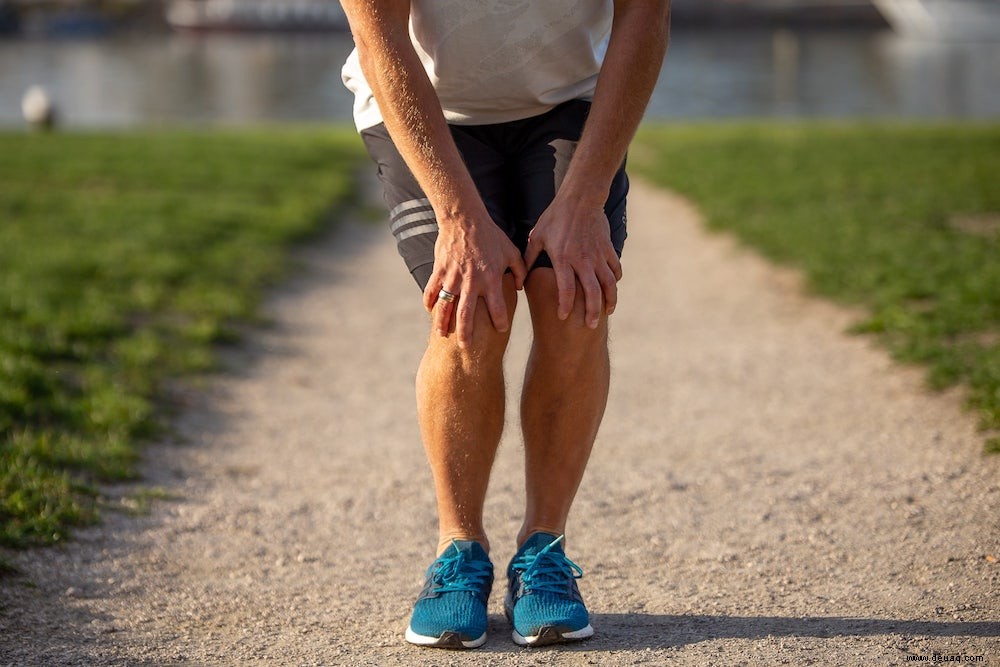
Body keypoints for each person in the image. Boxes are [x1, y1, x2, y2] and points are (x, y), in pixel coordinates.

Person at [340, 0, 670, 649]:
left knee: (574, 298)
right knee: (468, 308)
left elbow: (646, 16)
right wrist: (460, 222)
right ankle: (458, 551)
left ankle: (543, 550)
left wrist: (584, 197)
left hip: (569, 101)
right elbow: (377, 37)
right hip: (423, 103)